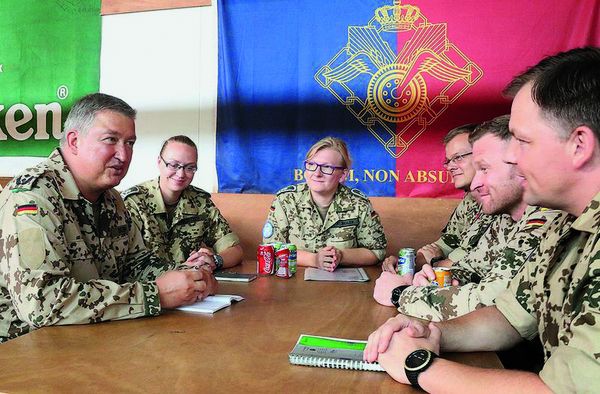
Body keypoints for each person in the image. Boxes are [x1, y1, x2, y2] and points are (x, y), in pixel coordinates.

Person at [364, 47, 600, 392]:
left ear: (579, 145)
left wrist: (420, 366)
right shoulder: (567, 225)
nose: (513, 160)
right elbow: (509, 317)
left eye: (522, 141)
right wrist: (432, 333)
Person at [0, 93, 215, 343]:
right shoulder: (32, 198)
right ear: (74, 141)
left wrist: (190, 277)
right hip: (24, 351)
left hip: (93, 338)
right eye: (111, 140)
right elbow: (42, 303)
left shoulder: (112, 199)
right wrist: (154, 295)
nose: (123, 155)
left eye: (130, 143)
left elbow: (137, 265)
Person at [373, 115, 562, 321]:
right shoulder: (503, 216)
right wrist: (434, 278)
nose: (474, 185)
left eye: (484, 168)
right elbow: (470, 268)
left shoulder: (545, 218)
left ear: (522, 164)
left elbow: (490, 302)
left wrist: (401, 293)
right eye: (449, 160)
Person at [262, 136, 387, 271]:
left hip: (344, 285)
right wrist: (314, 260)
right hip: (295, 282)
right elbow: (270, 249)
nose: (317, 173)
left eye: (327, 167)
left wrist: (341, 255)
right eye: (311, 165)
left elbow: (376, 251)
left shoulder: (358, 204)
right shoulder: (286, 200)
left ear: (343, 175)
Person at [123, 135, 243, 273]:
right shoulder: (134, 202)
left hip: (192, 287)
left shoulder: (200, 202)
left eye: (189, 168)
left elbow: (235, 250)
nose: (181, 174)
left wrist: (214, 261)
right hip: (150, 289)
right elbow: (128, 266)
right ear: (159, 162)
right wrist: (183, 269)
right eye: (174, 165)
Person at [382, 123, 484, 273]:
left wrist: (437, 263)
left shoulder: (503, 203)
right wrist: (408, 262)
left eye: (458, 158)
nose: (450, 167)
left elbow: (476, 265)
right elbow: (447, 244)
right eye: (448, 161)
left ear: (483, 156)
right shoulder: (469, 201)